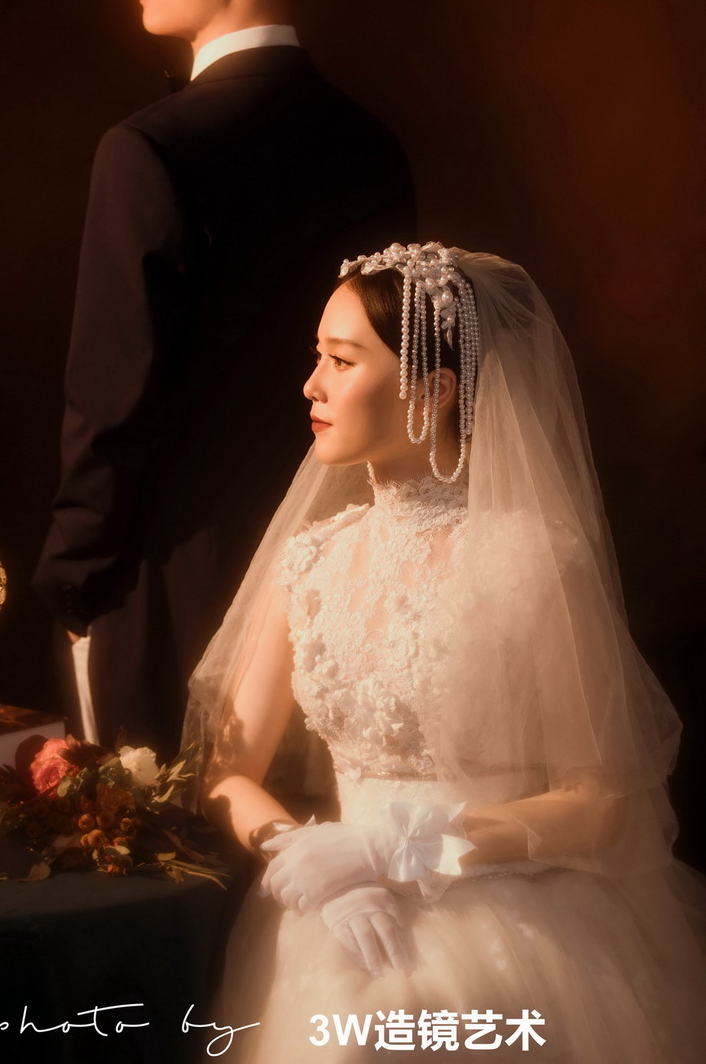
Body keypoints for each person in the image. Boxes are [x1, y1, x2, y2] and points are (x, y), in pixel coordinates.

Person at [184, 241, 706, 1061]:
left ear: (430, 390)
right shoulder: (310, 559)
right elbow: (226, 771)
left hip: (507, 910)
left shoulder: (531, 559)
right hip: (338, 906)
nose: (311, 384)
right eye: (317, 357)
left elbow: (600, 800)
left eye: (341, 360)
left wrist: (393, 845)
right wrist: (300, 853)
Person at [33, 0, 415, 756]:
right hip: (346, 589)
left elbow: (110, 406)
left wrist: (73, 583)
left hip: (171, 597)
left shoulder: (148, 150)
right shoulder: (374, 151)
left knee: (171, 843)